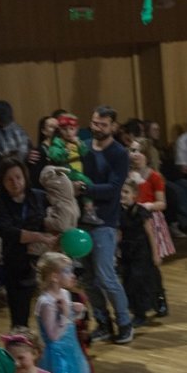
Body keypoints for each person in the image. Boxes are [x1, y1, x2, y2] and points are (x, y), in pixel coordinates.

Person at [81, 107, 135, 343]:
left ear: (113, 126)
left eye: (103, 124)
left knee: (106, 276)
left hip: (105, 221)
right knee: (88, 278)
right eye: (95, 123)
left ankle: (124, 323)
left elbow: (114, 188)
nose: (97, 128)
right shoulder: (83, 146)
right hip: (81, 221)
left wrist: (86, 189)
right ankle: (102, 322)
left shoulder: (119, 153)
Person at [0, 159, 55, 330]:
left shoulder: (39, 196)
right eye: (9, 179)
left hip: (45, 260)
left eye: (18, 177)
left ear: (25, 177)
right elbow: (8, 232)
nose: (15, 183)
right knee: (19, 318)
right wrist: (39, 237)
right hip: (16, 262)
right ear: (2, 182)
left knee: (53, 311)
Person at [119, 180, 166, 323]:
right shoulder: (119, 211)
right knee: (129, 280)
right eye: (121, 191)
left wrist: (155, 254)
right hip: (127, 251)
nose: (122, 195)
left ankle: (152, 307)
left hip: (142, 250)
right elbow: (119, 233)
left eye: (126, 192)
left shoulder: (140, 211)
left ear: (134, 195)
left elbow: (150, 233)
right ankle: (138, 310)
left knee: (144, 279)